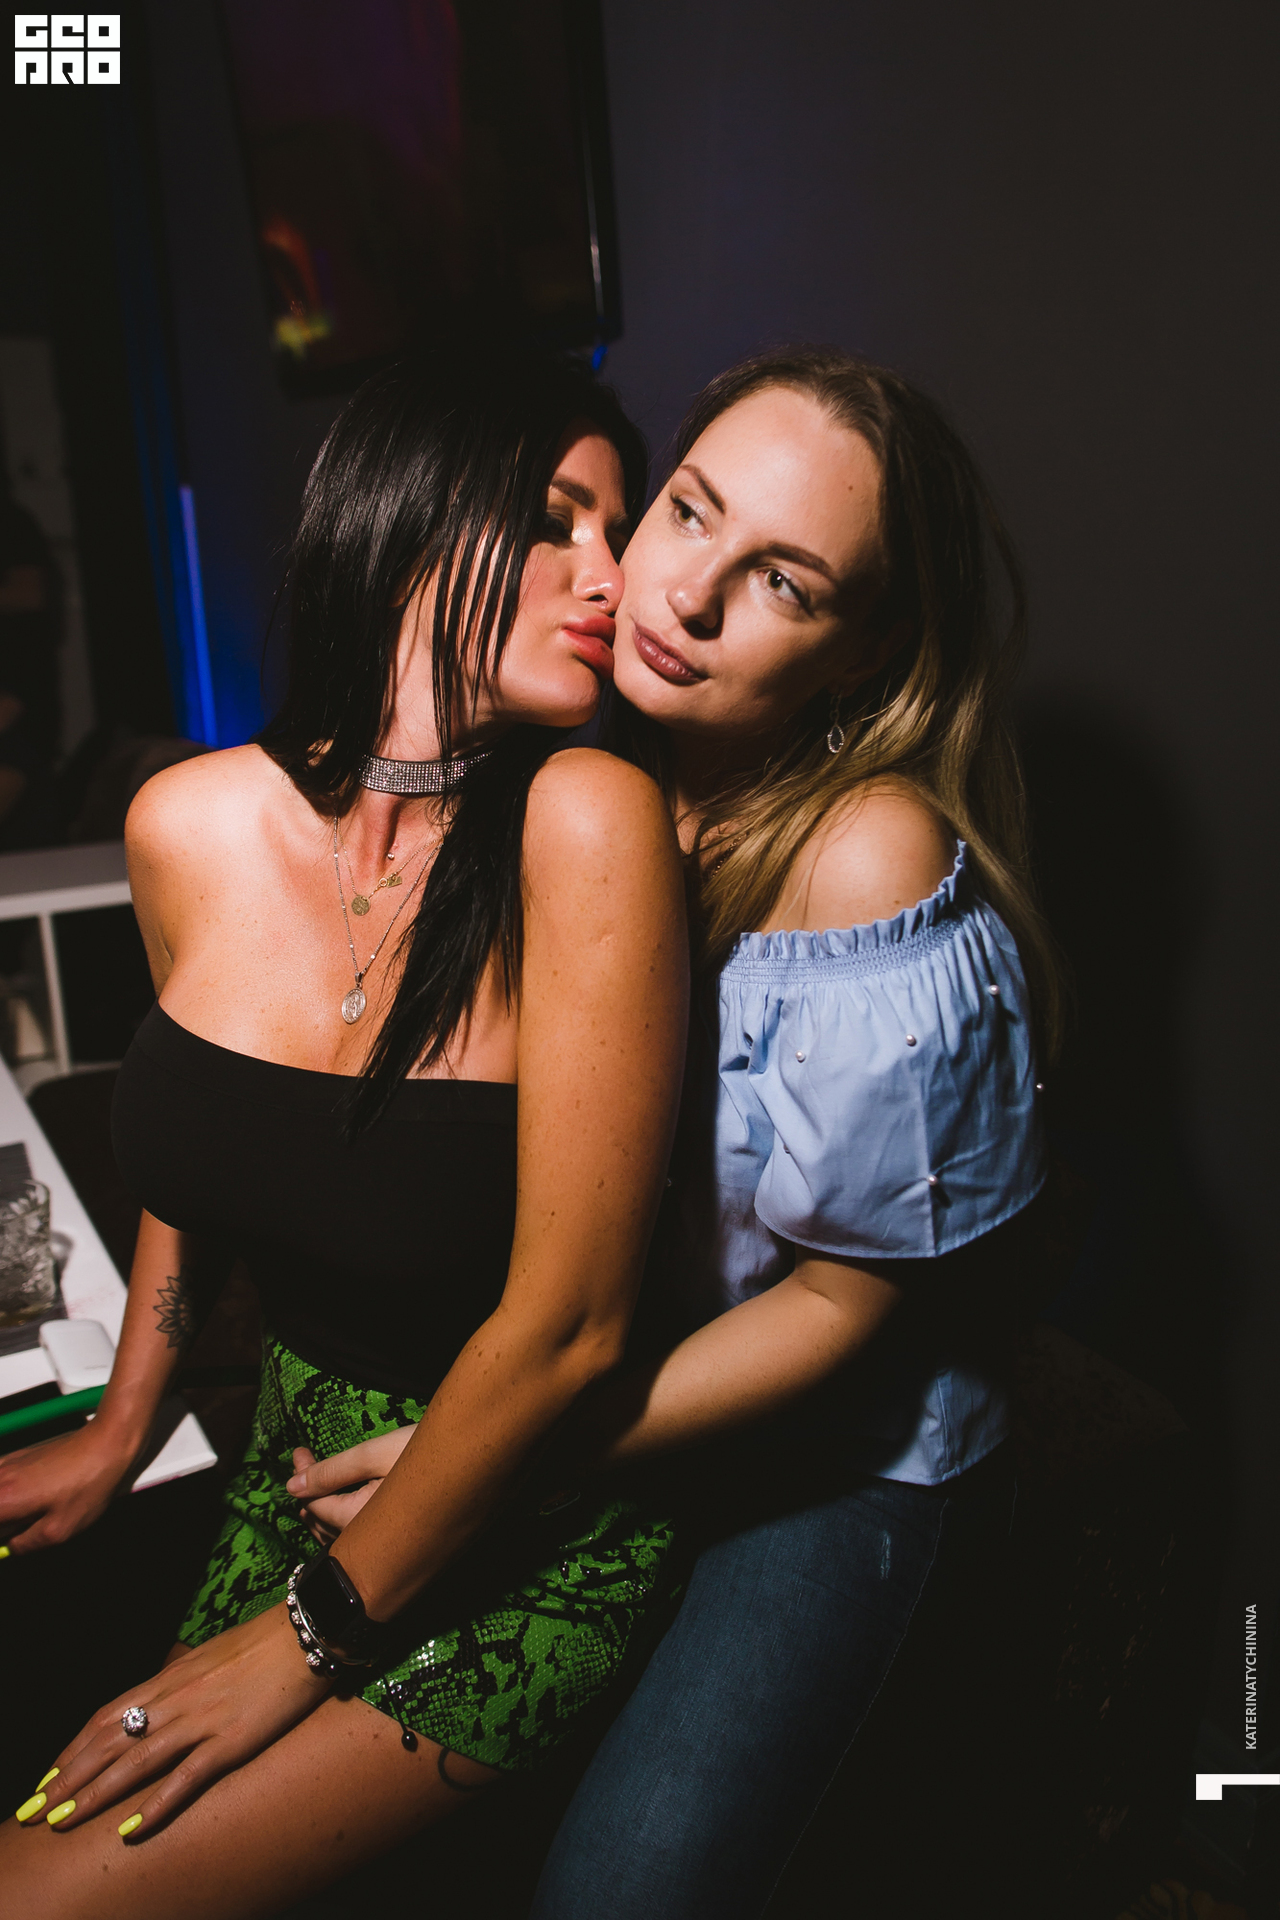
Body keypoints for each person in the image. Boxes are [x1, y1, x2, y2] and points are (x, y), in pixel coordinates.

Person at [292, 347, 1061, 1917]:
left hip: (832, 1458)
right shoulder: (579, 760)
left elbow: (845, 1310)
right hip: (618, 1385)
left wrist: (494, 1459)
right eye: (691, 510)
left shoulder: (866, 856)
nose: (686, 596)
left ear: (868, 651)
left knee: (615, 1891)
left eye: (782, 581)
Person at [0, 351, 689, 1920]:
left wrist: (300, 1639)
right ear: (405, 521)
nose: (612, 576)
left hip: (514, 1518)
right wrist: (124, 1421)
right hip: (288, 1466)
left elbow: (573, 1329)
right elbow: (207, 1151)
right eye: (555, 519)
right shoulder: (185, 824)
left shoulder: (587, 820)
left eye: (620, 528)